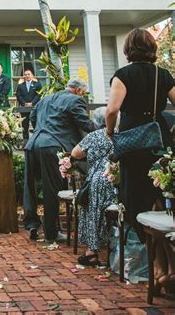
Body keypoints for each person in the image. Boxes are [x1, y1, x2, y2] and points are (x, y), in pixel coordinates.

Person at [106, 28, 175, 235]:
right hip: (159, 139)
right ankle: (164, 261)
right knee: (162, 195)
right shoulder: (162, 74)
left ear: (128, 49)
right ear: (152, 48)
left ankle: (148, 257)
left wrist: (110, 131)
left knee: (135, 199)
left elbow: (112, 110)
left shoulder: (123, 75)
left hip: (132, 142)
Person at [23, 77, 95, 243]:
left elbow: (33, 118)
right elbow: (84, 124)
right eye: (83, 93)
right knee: (51, 188)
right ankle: (51, 233)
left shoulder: (45, 99)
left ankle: (32, 224)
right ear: (79, 90)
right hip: (52, 146)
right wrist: (105, 130)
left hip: (32, 144)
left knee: (30, 186)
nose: (82, 96)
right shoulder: (75, 100)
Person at [71, 107, 117, 266]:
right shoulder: (121, 134)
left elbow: (75, 154)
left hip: (98, 179)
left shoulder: (93, 136)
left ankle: (92, 251)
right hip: (117, 179)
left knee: (91, 209)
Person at [16, 67, 43, 140]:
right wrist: (24, 103)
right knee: (25, 126)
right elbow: (18, 95)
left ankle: (36, 141)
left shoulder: (37, 84)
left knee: (36, 125)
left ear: (32, 75)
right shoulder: (20, 85)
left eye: (29, 74)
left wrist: (32, 103)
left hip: (34, 108)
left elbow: (39, 94)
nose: (27, 76)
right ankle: (26, 142)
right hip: (24, 108)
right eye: (25, 74)